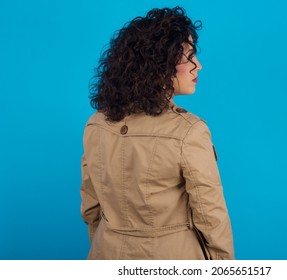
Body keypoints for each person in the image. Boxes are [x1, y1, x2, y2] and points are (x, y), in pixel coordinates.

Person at [80, 6, 234, 260]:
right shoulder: (189, 132)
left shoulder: (96, 124)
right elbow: (211, 216)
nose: (199, 65)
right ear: (159, 64)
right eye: (189, 56)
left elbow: (91, 207)